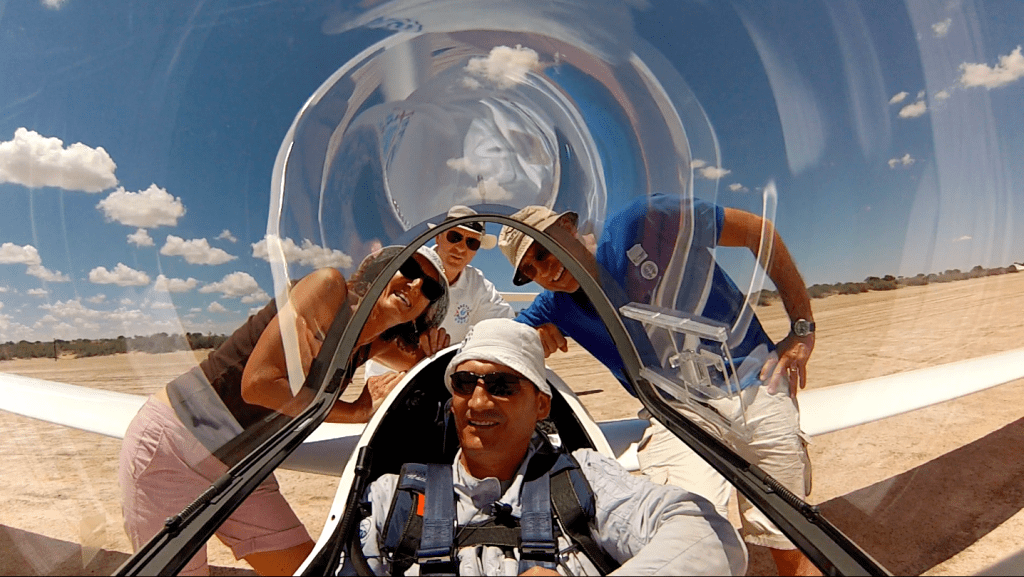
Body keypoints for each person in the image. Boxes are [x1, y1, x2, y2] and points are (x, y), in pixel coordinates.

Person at [498, 194, 819, 576]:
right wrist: (533, 339)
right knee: (684, 536)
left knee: (788, 534)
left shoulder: (642, 222)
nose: (545, 270)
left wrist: (802, 327)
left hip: (753, 382)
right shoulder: (554, 306)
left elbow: (757, 231)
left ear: (568, 226)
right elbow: (498, 343)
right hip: (677, 413)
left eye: (544, 250)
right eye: (530, 269)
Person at [118, 245, 451, 576]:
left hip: (245, 465)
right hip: (174, 446)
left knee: (306, 572)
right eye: (409, 268)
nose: (416, 285)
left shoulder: (372, 342)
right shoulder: (328, 288)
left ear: (426, 309)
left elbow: (425, 364)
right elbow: (259, 385)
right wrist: (357, 410)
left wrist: (434, 349)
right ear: (381, 268)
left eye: (431, 289)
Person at [348, 318, 747, 576]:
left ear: (541, 405)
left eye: (503, 385)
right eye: (465, 383)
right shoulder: (391, 499)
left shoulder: (583, 479)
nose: (479, 402)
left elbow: (710, 535)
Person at [362, 206, 515, 389]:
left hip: (439, 383)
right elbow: (366, 323)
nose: (461, 248)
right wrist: (418, 348)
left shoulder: (478, 284)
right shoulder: (408, 261)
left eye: (471, 242)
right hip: (387, 380)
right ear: (438, 237)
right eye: (454, 237)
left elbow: (506, 325)